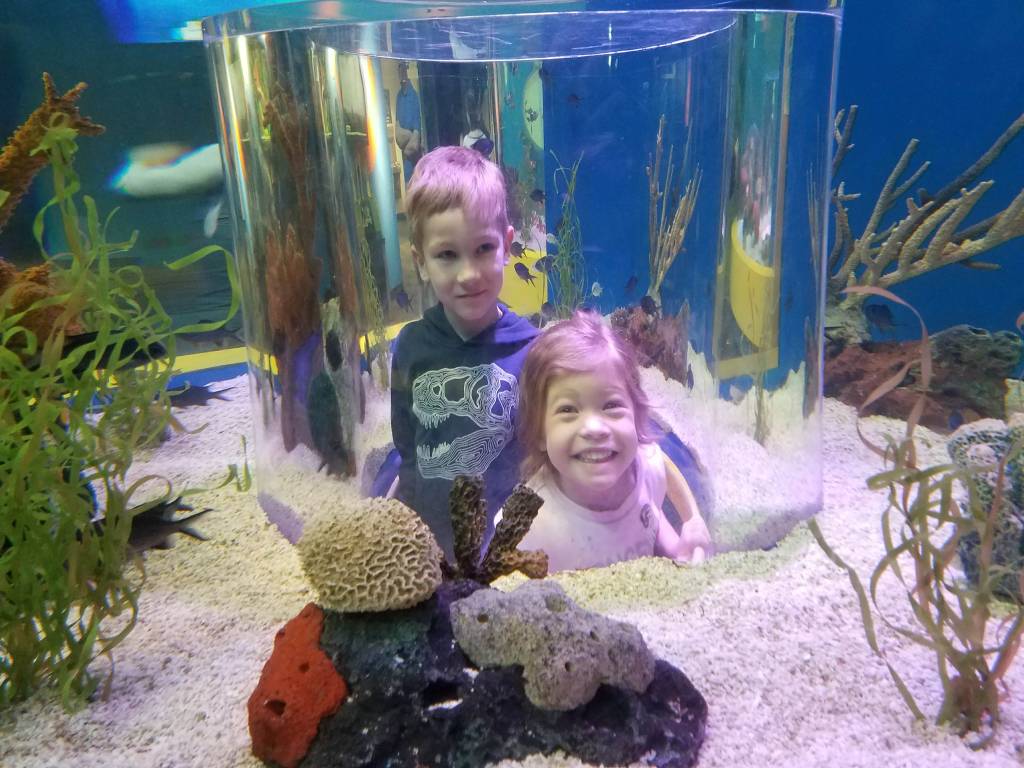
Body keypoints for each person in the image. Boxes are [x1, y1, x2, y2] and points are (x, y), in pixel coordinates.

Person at [390, 145, 539, 558]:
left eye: (483, 249)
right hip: (428, 552)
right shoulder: (409, 347)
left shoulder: (533, 351)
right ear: (421, 262)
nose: (468, 274)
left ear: (507, 246)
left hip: (506, 557)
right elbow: (407, 450)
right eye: (447, 255)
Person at [513, 310, 712, 572]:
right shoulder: (530, 523)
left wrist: (692, 520)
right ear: (540, 432)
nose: (594, 428)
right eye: (568, 410)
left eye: (611, 405)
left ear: (637, 417)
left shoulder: (643, 467)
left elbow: (661, 464)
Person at [394, 62, 422, 182]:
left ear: (407, 70)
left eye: (403, 69)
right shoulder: (399, 97)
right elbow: (397, 132)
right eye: (399, 70)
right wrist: (406, 136)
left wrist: (409, 139)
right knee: (408, 182)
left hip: (414, 157)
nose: (401, 73)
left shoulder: (414, 96)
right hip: (405, 157)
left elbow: (416, 137)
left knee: (416, 181)